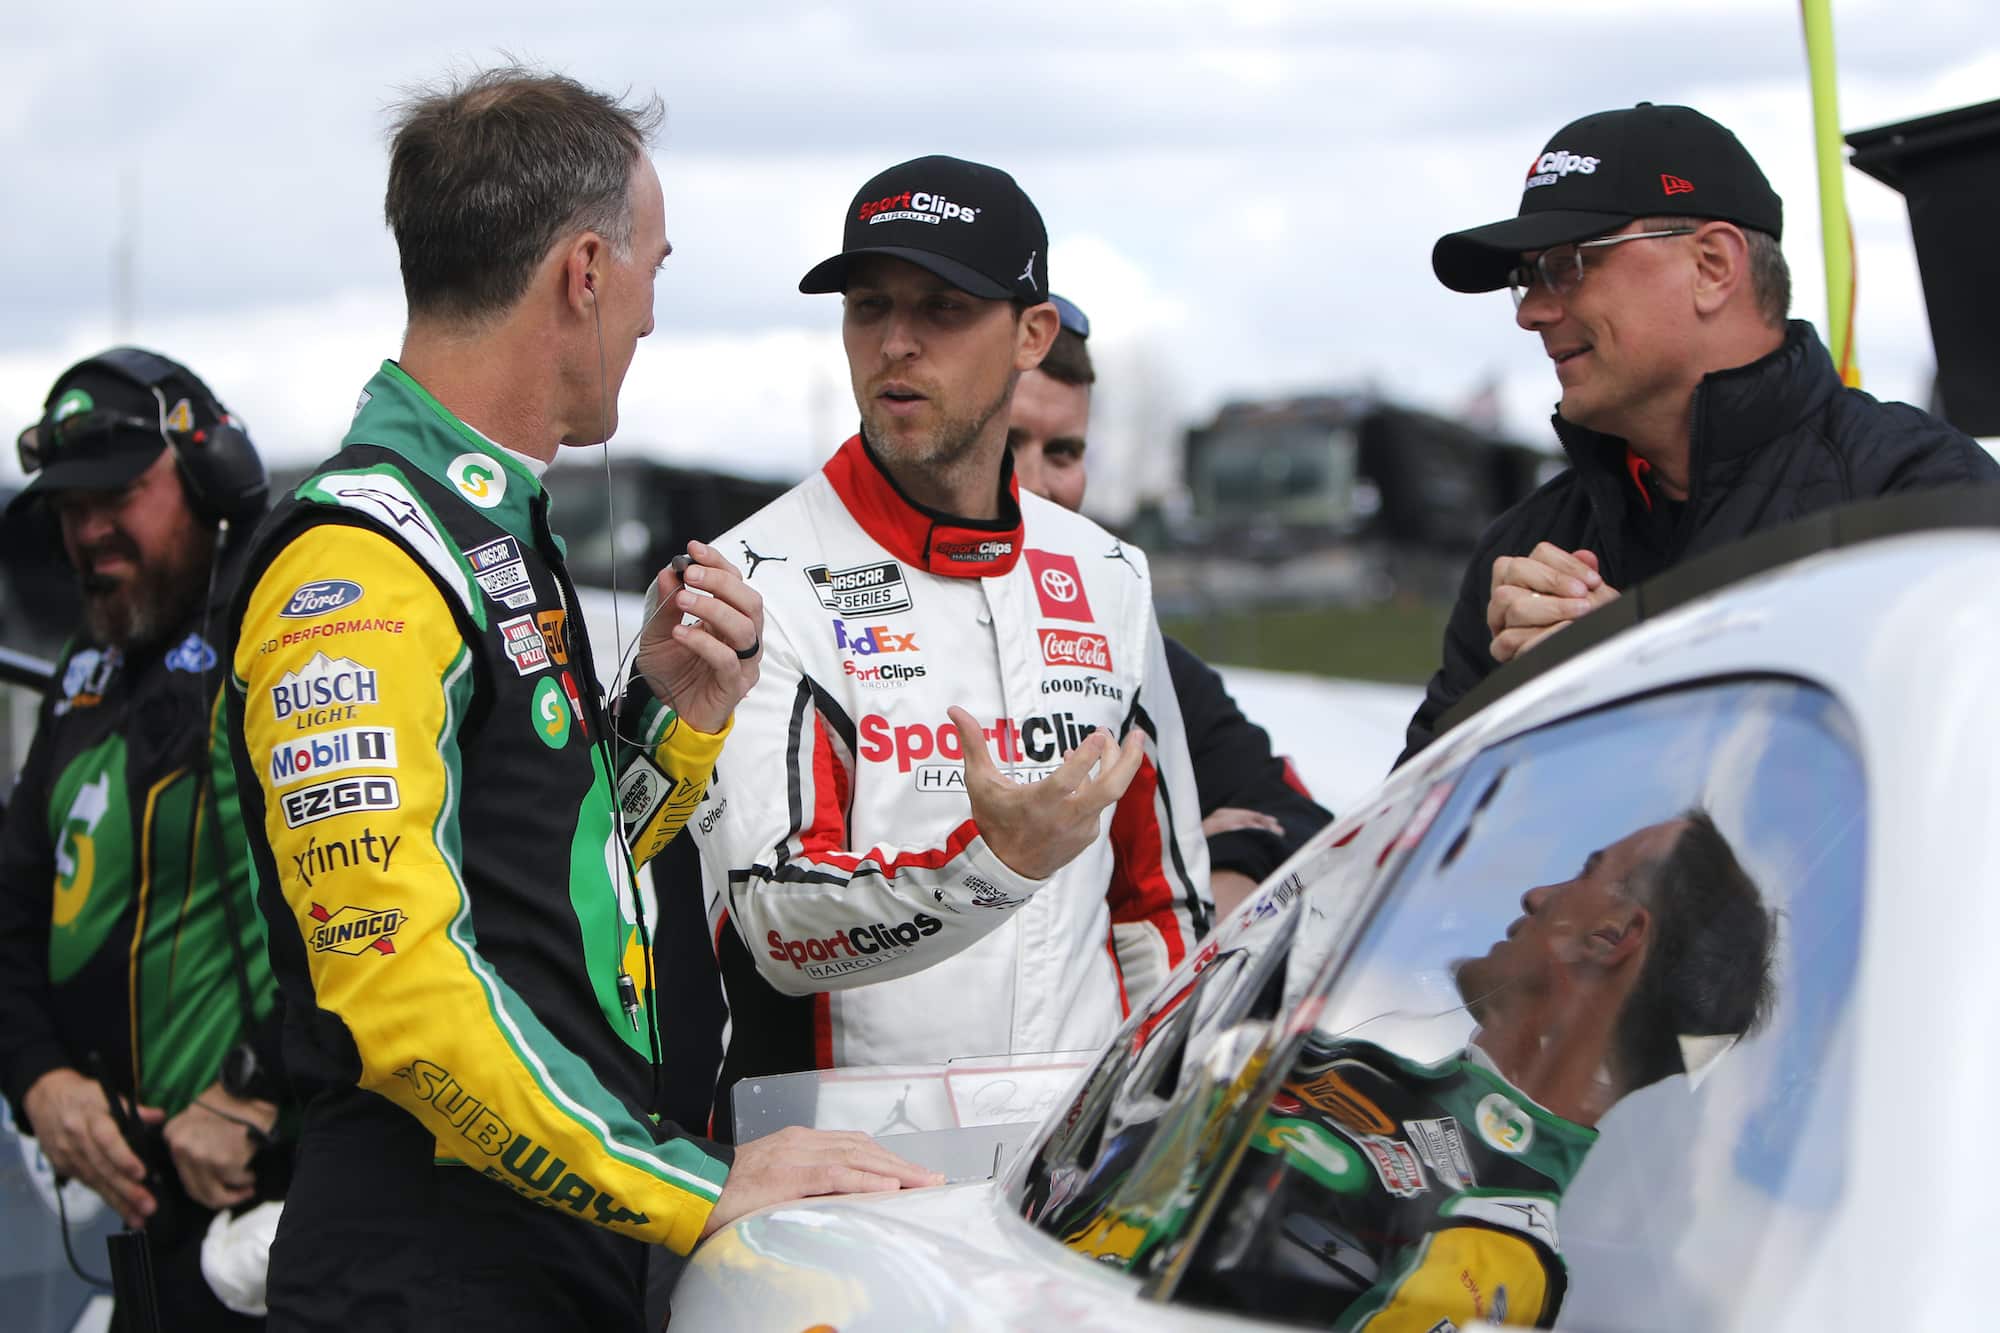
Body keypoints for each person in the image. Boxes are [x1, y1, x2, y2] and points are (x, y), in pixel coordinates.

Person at [220, 68, 933, 1332]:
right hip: (426, 1274)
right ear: (585, 272)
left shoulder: (484, 524)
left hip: (548, 1249)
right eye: (655, 266)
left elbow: (549, 886)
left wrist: (670, 718)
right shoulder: (361, 564)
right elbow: (403, 997)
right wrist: (693, 1185)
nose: (656, 313)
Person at [689, 155, 1210, 1110]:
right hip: (843, 1174)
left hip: (1067, 1167)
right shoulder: (752, 578)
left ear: (1031, 334)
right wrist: (993, 865)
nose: (896, 343)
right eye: (869, 306)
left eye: (942, 309)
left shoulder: (1107, 574)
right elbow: (776, 925)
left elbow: (1161, 903)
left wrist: (1143, 1118)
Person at [1401, 102, 2000, 762]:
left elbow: (1951, 792)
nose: (1534, 312)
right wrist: (1513, 718)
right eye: (1526, 278)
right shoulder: (1523, 553)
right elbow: (1423, 845)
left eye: (1566, 264)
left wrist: (1636, 680)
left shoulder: (1916, 495)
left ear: (1713, 265)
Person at [1171, 812, 1776, 1330]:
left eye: (1588, 872)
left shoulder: (1496, 1244)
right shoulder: (1349, 1064)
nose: (1536, 896)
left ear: (1611, 935)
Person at [0, 348, 289, 1327]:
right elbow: (11, 904)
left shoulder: (283, 626)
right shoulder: (90, 666)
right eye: (69, 511)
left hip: (283, 1193)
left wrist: (255, 1087)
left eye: (119, 495)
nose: (91, 533)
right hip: (144, 1215)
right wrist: (38, 1081)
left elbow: (381, 898)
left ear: (211, 476)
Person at [1007, 294, 1333, 916]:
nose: (1035, 486)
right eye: (1007, 442)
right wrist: (1139, 873)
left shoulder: (1130, 651)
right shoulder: (854, 626)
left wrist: (1205, 870)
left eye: (1063, 453)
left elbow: (1303, 828)